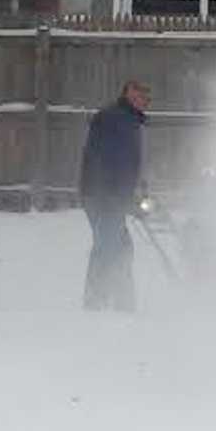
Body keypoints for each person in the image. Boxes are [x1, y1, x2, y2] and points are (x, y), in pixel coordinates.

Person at [78, 81, 151, 312]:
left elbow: (127, 164)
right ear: (127, 94)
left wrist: (137, 192)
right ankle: (96, 302)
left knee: (121, 248)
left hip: (110, 195)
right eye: (139, 95)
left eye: (146, 98)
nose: (143, 101)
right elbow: (108, 161)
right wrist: (118, 196)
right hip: (103, 195)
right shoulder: (114, 118)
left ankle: (123, 302)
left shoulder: (128, 121)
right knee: (108, 247)